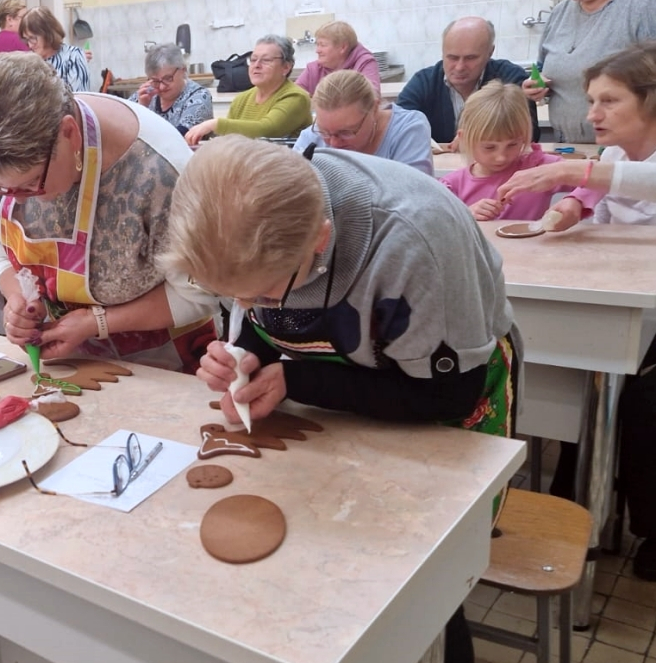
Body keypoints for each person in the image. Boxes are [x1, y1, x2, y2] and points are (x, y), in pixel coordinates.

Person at [163, 136, 519, 663]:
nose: (245, 304)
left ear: (320, 239)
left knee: (416, 573)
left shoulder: (413, 239)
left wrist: (297, 381)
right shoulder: (258, 233)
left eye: (261, 294)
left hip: (441, 391)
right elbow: (264, 316)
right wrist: (243, 356)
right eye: (229, 294)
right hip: (341, 381)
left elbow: (448, 395)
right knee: (325, 547)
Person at [0, 52, 217, 372]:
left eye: (31, 184)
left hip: (166, 362)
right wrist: (19, 300)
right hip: (72, 362)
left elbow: (199, 295)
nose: (19, 201)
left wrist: (96, 323)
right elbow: (1, 255)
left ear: (69, 134)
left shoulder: (158, 173)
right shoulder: (0, 174)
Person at [502, 45, 656, 579]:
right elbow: (606, 206)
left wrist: (575, 173)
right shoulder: (615, 155)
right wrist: (572, 205)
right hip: (624, 297)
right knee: (580, 381)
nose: (593, 114)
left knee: (639, 401)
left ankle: (643, 525)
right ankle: (578, 505)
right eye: (591, 101)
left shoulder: (611, 163)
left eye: (609, 101)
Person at [525, 0, 656, 143]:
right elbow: (544, 69)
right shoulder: (560, 13)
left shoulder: (647, 3)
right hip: (570, 147)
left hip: (630, 150)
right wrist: (538, 86)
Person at [441, 80, 600, 221]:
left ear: (524, 137)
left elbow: (598, 179)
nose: (501, 157)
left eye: (512, 145)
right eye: (489, 147)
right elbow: (437, 227)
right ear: (463, 138)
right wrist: (465, 216)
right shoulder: (450, 186)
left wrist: (576, 200)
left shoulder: (539, 168)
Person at [398, 17, 539, 149]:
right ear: (442, 52)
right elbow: (397, 127)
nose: (459, 67)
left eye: (470, 58)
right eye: (452, 58)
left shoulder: (510, 79)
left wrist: (477, 136)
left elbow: (530, 134)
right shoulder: (424, 83)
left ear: (490, 52)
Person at [291, 70, 433, 174]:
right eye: (324, 132)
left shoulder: (408, 129)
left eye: (346, 132)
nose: (333, 143)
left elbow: (413, 195)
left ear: (374, 109)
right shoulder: (311, 137)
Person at [184, 35, 312, 144]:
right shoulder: (241, 99)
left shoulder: (296, 97)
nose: (256, 65)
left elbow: (267, 130)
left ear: (286, 67)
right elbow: (229, 141)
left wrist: (215, 124)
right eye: (253, 59)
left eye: (266, 60)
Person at [128, 43, 213, 135]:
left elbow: (179, 137)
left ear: (183, 70)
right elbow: (122, 128)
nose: (162, 87)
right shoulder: (145, 95)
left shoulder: (199, 97)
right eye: (155, 81)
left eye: (168, 78)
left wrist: (142, 115)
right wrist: (141, 108)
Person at [294, 20, 381, 96]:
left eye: (323, 45)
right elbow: (295, 95)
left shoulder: (365, 63)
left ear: (343, 47)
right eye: (317, 45)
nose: (317, 50)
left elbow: (371, 98)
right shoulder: (314, 69)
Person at [20, 6, 91, 93]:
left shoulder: (73, 56)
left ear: (47, 34)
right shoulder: (30, 61)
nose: (30, 45)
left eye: (32, 38)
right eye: (26, 39)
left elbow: (78, 97)